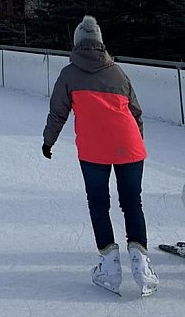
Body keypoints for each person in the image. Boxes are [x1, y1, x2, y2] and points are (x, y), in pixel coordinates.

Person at [42, 15, 158, 296]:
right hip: (129, 147)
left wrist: (48, 141)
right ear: (100, 42)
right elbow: (136, 112)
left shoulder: (69, 74)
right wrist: (133, 144)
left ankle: (109, 267)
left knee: (98, 204)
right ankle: (142, 267)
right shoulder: (117, 72)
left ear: (77, 43)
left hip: (93, 150)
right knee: (132, 203)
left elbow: (58, 112)